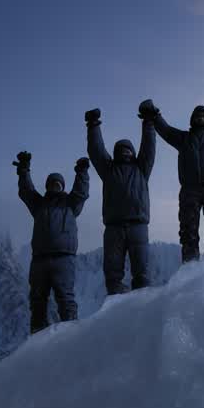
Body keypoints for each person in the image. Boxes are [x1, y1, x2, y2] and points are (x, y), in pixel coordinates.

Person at [142, 73, 204, 263]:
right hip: (190, 190)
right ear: (192, 119)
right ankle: (190, 270)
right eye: (197, 115)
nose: (200, 117)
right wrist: (154, 116)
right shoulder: (183, 138)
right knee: (188, 234)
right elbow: (166, 130)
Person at [14, 151, 89, 334]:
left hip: (64, 260)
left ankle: (71, 336)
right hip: (39, 260)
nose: (55, 185)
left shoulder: (71, 205)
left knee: (65, 300)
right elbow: (26, 191)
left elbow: (81, 192)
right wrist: (24, 170)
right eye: (52, 183)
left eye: (58, 183)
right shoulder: (38, 204)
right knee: (38, 300)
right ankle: (38, 337)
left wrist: (82, 173)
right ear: (47, 186)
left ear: (63, 186)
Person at [85, 107, 156, 294]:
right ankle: (117, 311)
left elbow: (149, 147)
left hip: (138, 226)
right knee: (113, 275)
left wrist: (148, 122)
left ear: (133, 152)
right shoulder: (108, 170)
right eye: (121, 150)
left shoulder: (142, 168)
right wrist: (93, 126)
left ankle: (142, 307)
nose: (125, 153)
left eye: (128, 150)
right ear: (116, 153)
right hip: (114, 227)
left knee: (141, 274)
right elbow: (96, 150)